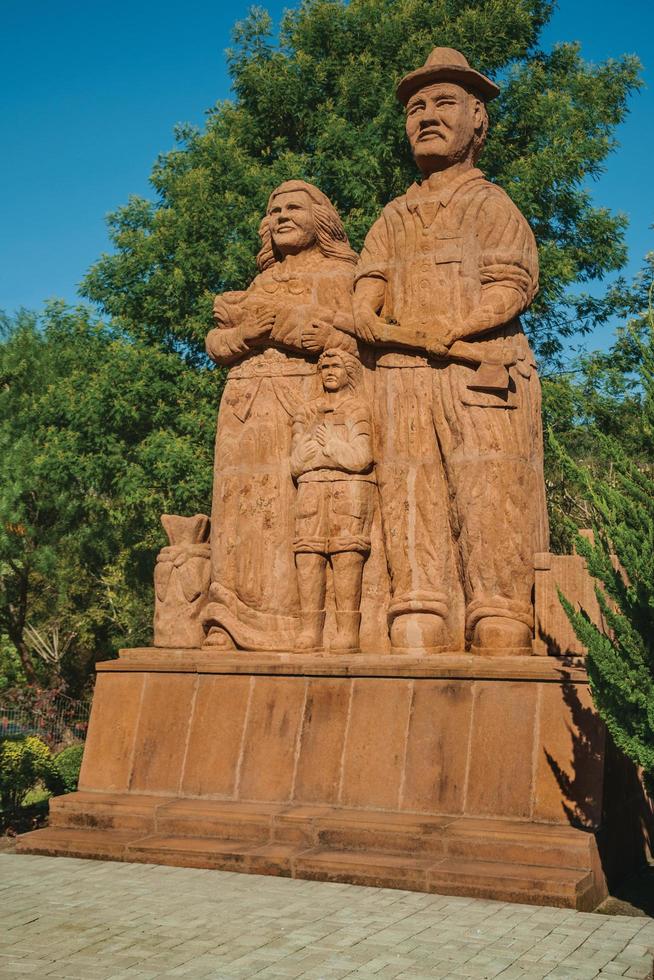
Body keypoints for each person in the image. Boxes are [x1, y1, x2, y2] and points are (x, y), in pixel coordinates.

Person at [352, 48, 549, 654]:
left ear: (478, 122)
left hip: (480, 372)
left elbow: (511, 284)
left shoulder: (491, 206)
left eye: (443, 103)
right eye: (416, 107)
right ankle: (418, 607)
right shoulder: (393, 215)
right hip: (404, 373)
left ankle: (500, 609)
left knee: (489, 488)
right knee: (410, 489)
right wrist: (369, 315)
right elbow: (367, 291)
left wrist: (459, 328)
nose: (426, 116)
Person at [204, 180, 358, 651]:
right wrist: (246, 333)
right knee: (237, 515)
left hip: (302, 404)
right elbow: (217, 344)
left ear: (322, 220)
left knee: (295, 514)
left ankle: (296, 626)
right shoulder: (260, 282)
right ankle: (227, 620)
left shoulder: (343, 276)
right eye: (274, 211)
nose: (282, 217)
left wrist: (312, 333)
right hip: (244, 408)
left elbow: (359, 340)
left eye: (294, 208)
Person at [290, 349, 375, 652]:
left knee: (347, 553)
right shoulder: (306, 411)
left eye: (335, 366)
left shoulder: (357, 409)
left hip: (349, 488)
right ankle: (310, 630)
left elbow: (361, 458)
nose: (328, 371)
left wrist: (331, 446)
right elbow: (297, 463)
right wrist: (327, 452)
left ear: (348, 371)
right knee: (308, 554)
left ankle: (346, 631)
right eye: (324, 366)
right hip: (311, 487)